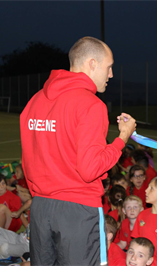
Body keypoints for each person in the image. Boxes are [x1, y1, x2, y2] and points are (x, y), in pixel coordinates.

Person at [19, 36, 136, 266]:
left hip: (41, 208)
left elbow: (27, 158)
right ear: (92, 64)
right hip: (77, 211)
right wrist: (122, 138)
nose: (111, 75)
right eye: (108, 67)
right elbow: (90, 169)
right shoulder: (90, 104)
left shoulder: (34, 101)